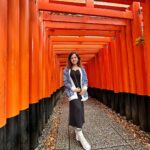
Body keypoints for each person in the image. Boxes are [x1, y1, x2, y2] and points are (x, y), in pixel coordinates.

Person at [63, 51, 91, 150]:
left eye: (75, 57)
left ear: (78, 59)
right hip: (73, 93)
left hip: (81, 94)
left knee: (79, 111)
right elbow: (65, 81)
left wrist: (84, 88)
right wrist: (73, 88)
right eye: (72, 58)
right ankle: (80, 134)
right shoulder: (67, 70)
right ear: (70, 60)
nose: (74, 59)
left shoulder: (82, 69)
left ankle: (76, 129)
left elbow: (85, 80)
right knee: (78, 109)